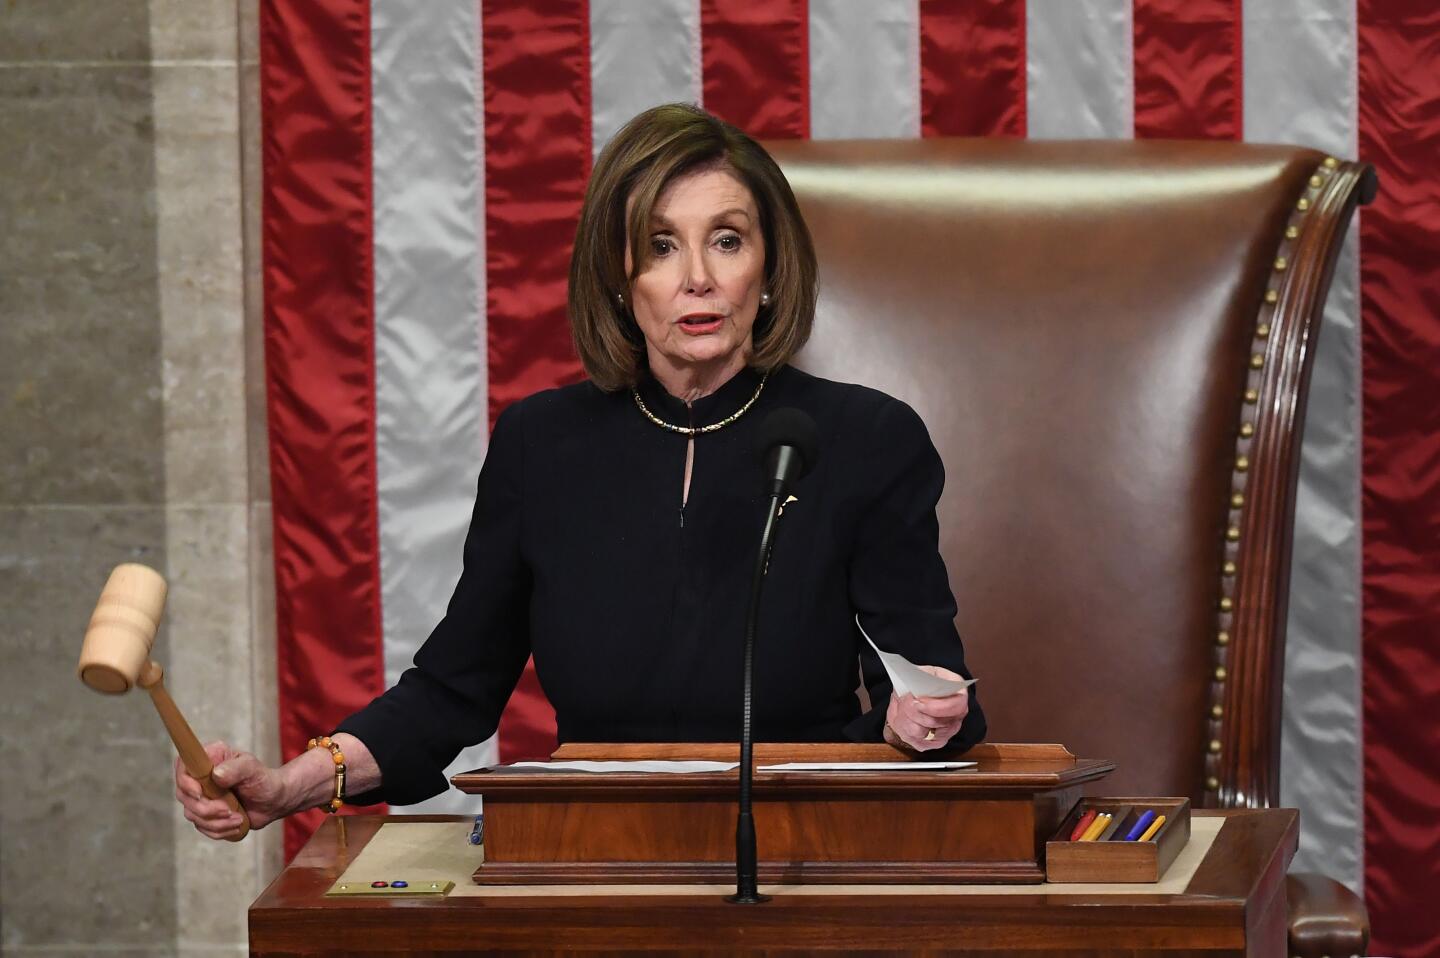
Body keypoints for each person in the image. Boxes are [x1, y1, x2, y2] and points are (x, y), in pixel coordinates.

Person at [176, 103, 985, 841]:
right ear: (617, 275)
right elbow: (455, 685)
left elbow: (929, 685)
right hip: (592, 843)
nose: (697, 276)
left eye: (728, 240)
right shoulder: (543, 445)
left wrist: (920, 718)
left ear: (770, 269)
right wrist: (293, 785)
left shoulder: (867, 437)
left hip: (802, 840)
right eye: (662, 245)